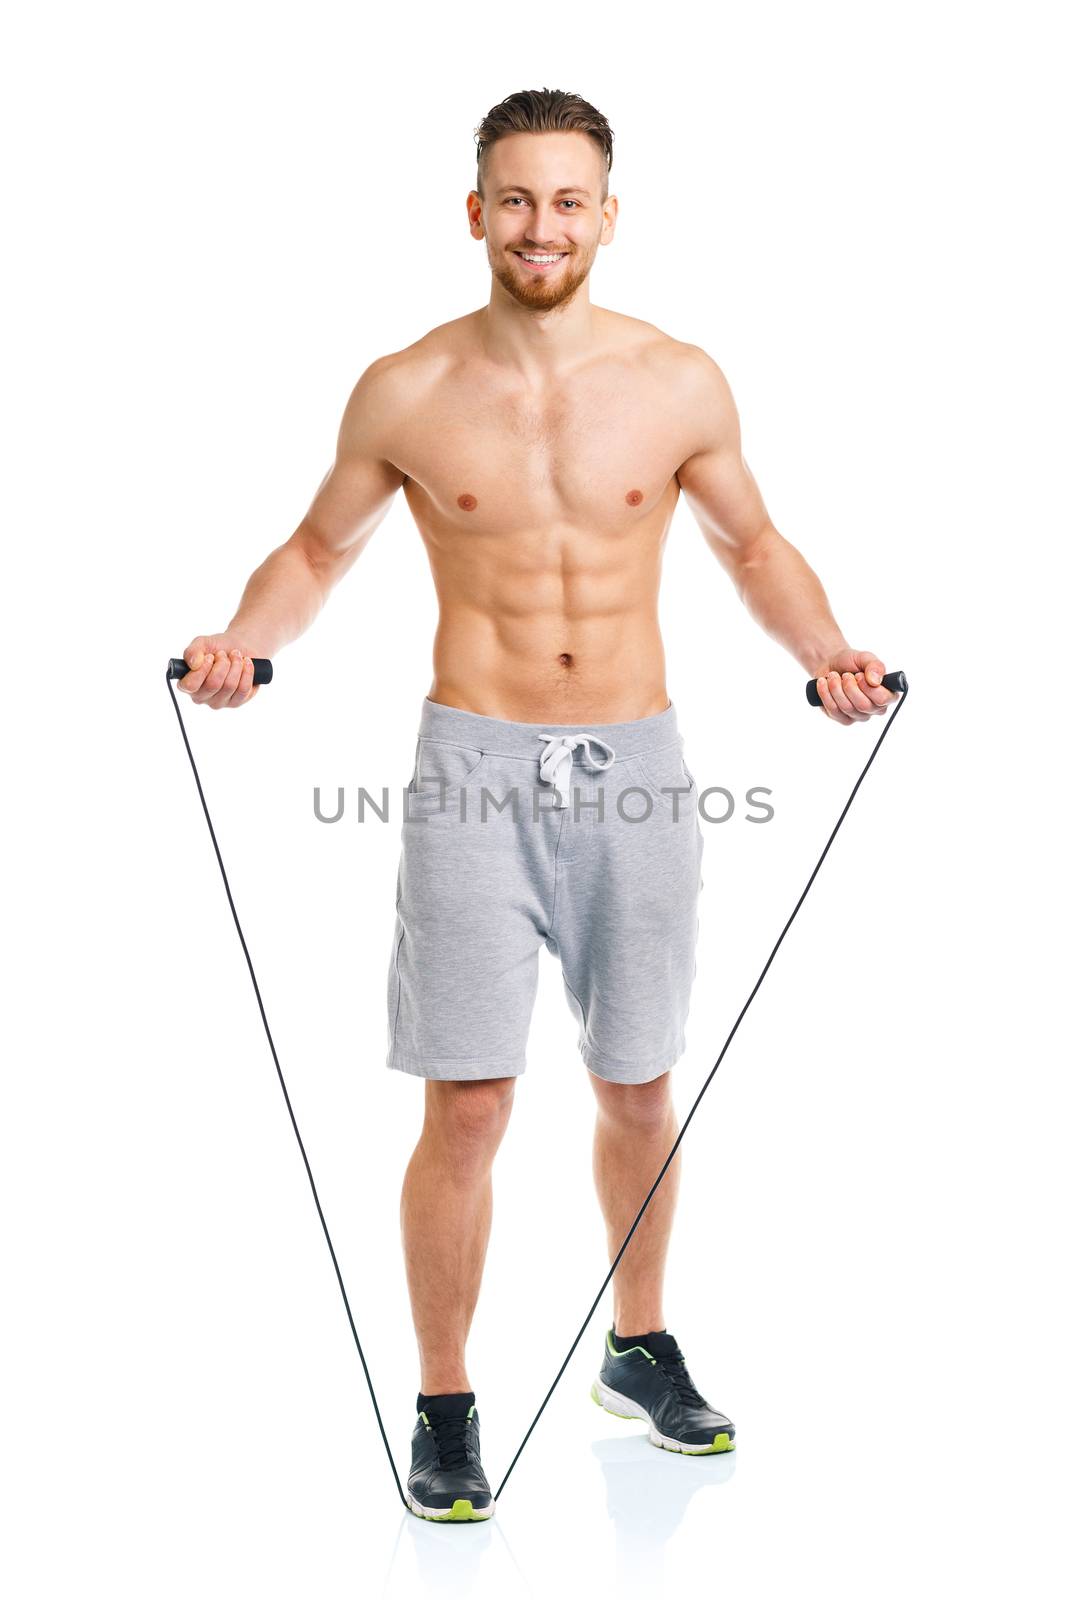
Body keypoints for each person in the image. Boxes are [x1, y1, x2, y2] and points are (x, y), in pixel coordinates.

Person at [179, 87, 897, 1523]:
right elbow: (319, 549)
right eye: (515, 199)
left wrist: (827, 653)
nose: (541, 225)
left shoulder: (680, 379)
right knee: (471, 1100)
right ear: (475, 212)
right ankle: (446, 1404)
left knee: (637, 1081)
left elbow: (754, 545)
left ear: (608, 216)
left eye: (568, 200)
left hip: (637, 761)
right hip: (474, 765)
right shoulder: (407, 388)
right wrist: (242, 643)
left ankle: (637, 1346)